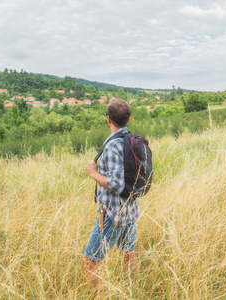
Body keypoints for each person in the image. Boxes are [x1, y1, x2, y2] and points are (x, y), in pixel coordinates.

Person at [83, 99, 139, 289]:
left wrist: (93, 173)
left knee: (90, 260)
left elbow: (116, 184)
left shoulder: (112, 146)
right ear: (128, 119)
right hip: (130, 210)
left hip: (113, 214)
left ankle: (96, 296)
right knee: (128, 252)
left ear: (108, 119)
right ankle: (133, 290)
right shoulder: (130, 141)